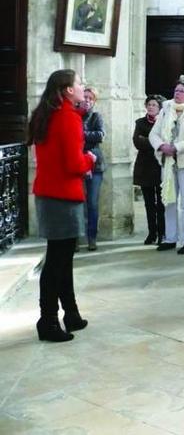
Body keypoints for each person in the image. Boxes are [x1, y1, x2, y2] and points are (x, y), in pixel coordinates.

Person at [29, 69, 97, 342]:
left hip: (49, 194)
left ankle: (70, 314)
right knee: (57, 261)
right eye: (79, 83)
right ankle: (47, 321)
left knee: (62, 258)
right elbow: (73, 164)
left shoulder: (48, 114)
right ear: (68, 89)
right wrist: (89, 159)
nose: (82, 87)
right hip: (62, 196)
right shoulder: (67, 117)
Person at [149, 76, 184, 255]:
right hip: (167, 163)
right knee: (169, 202)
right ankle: (170, 238)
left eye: (182, 91)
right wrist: (161, 146)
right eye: (176, 90)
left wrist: (176, 147)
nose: (177, 93)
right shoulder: (166, 111)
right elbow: (154, 134)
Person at [133, 95, 166, 245]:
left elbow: (166, 140)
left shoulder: (164, 122)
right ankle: (151, 232)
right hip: (145, 166)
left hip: (160, 166)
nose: (151, 107)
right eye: (149, 104)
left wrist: (148, 140)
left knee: (161, 202)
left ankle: (162, 233)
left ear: (160, 108)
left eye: (154, 105)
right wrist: (156, 142)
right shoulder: (140, 122)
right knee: (148, 203)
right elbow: (137, 142)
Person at [81, 86, 106, 251]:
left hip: (95, 165)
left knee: (92, 203)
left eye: (91, 98)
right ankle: (75, 237)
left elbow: (100, 135)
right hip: (76, 163)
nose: (87, 100)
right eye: (85, 97)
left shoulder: (96, 116)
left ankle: (92, 238)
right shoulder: (74, 115)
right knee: (76, 203)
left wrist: (82, 134)